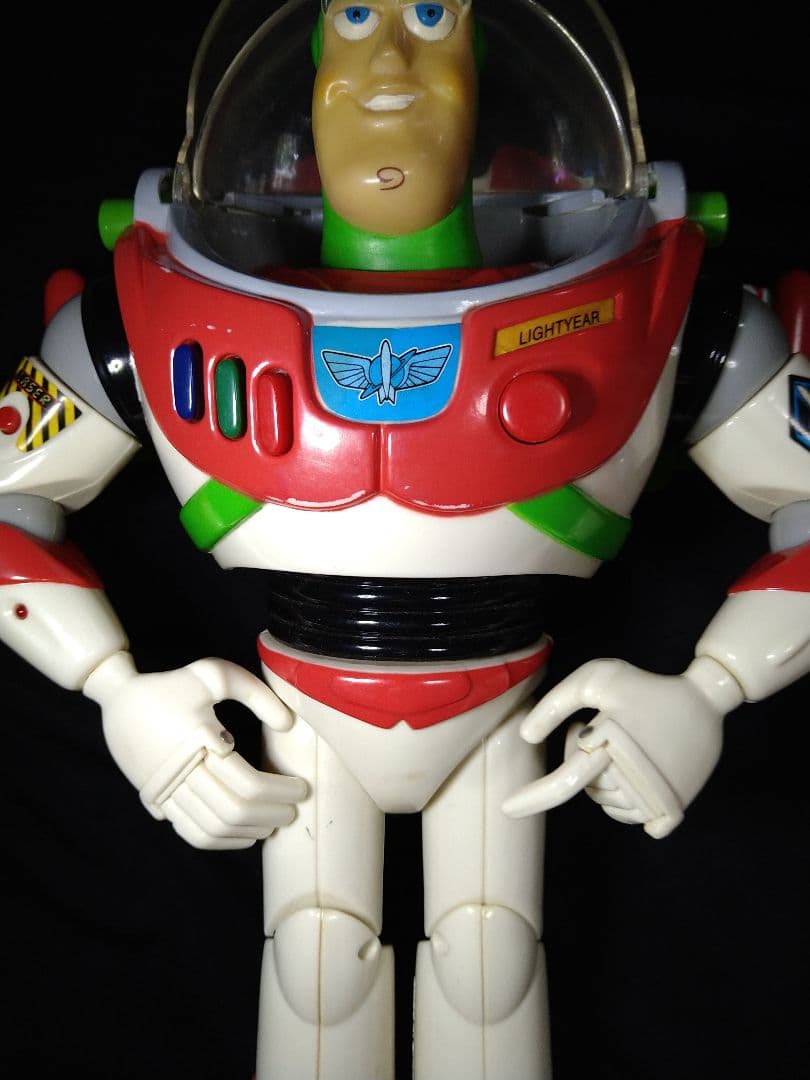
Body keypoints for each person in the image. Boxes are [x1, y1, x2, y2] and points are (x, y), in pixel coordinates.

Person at [2, 3, 807, 1078]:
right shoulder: (136, 315)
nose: (391, 61)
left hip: (508, 710)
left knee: (489, 972)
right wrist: (115, 693)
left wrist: (711, 690)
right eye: (356, 16)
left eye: (433, 16)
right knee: (317, 975)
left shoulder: (679, 315)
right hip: (301, 716)